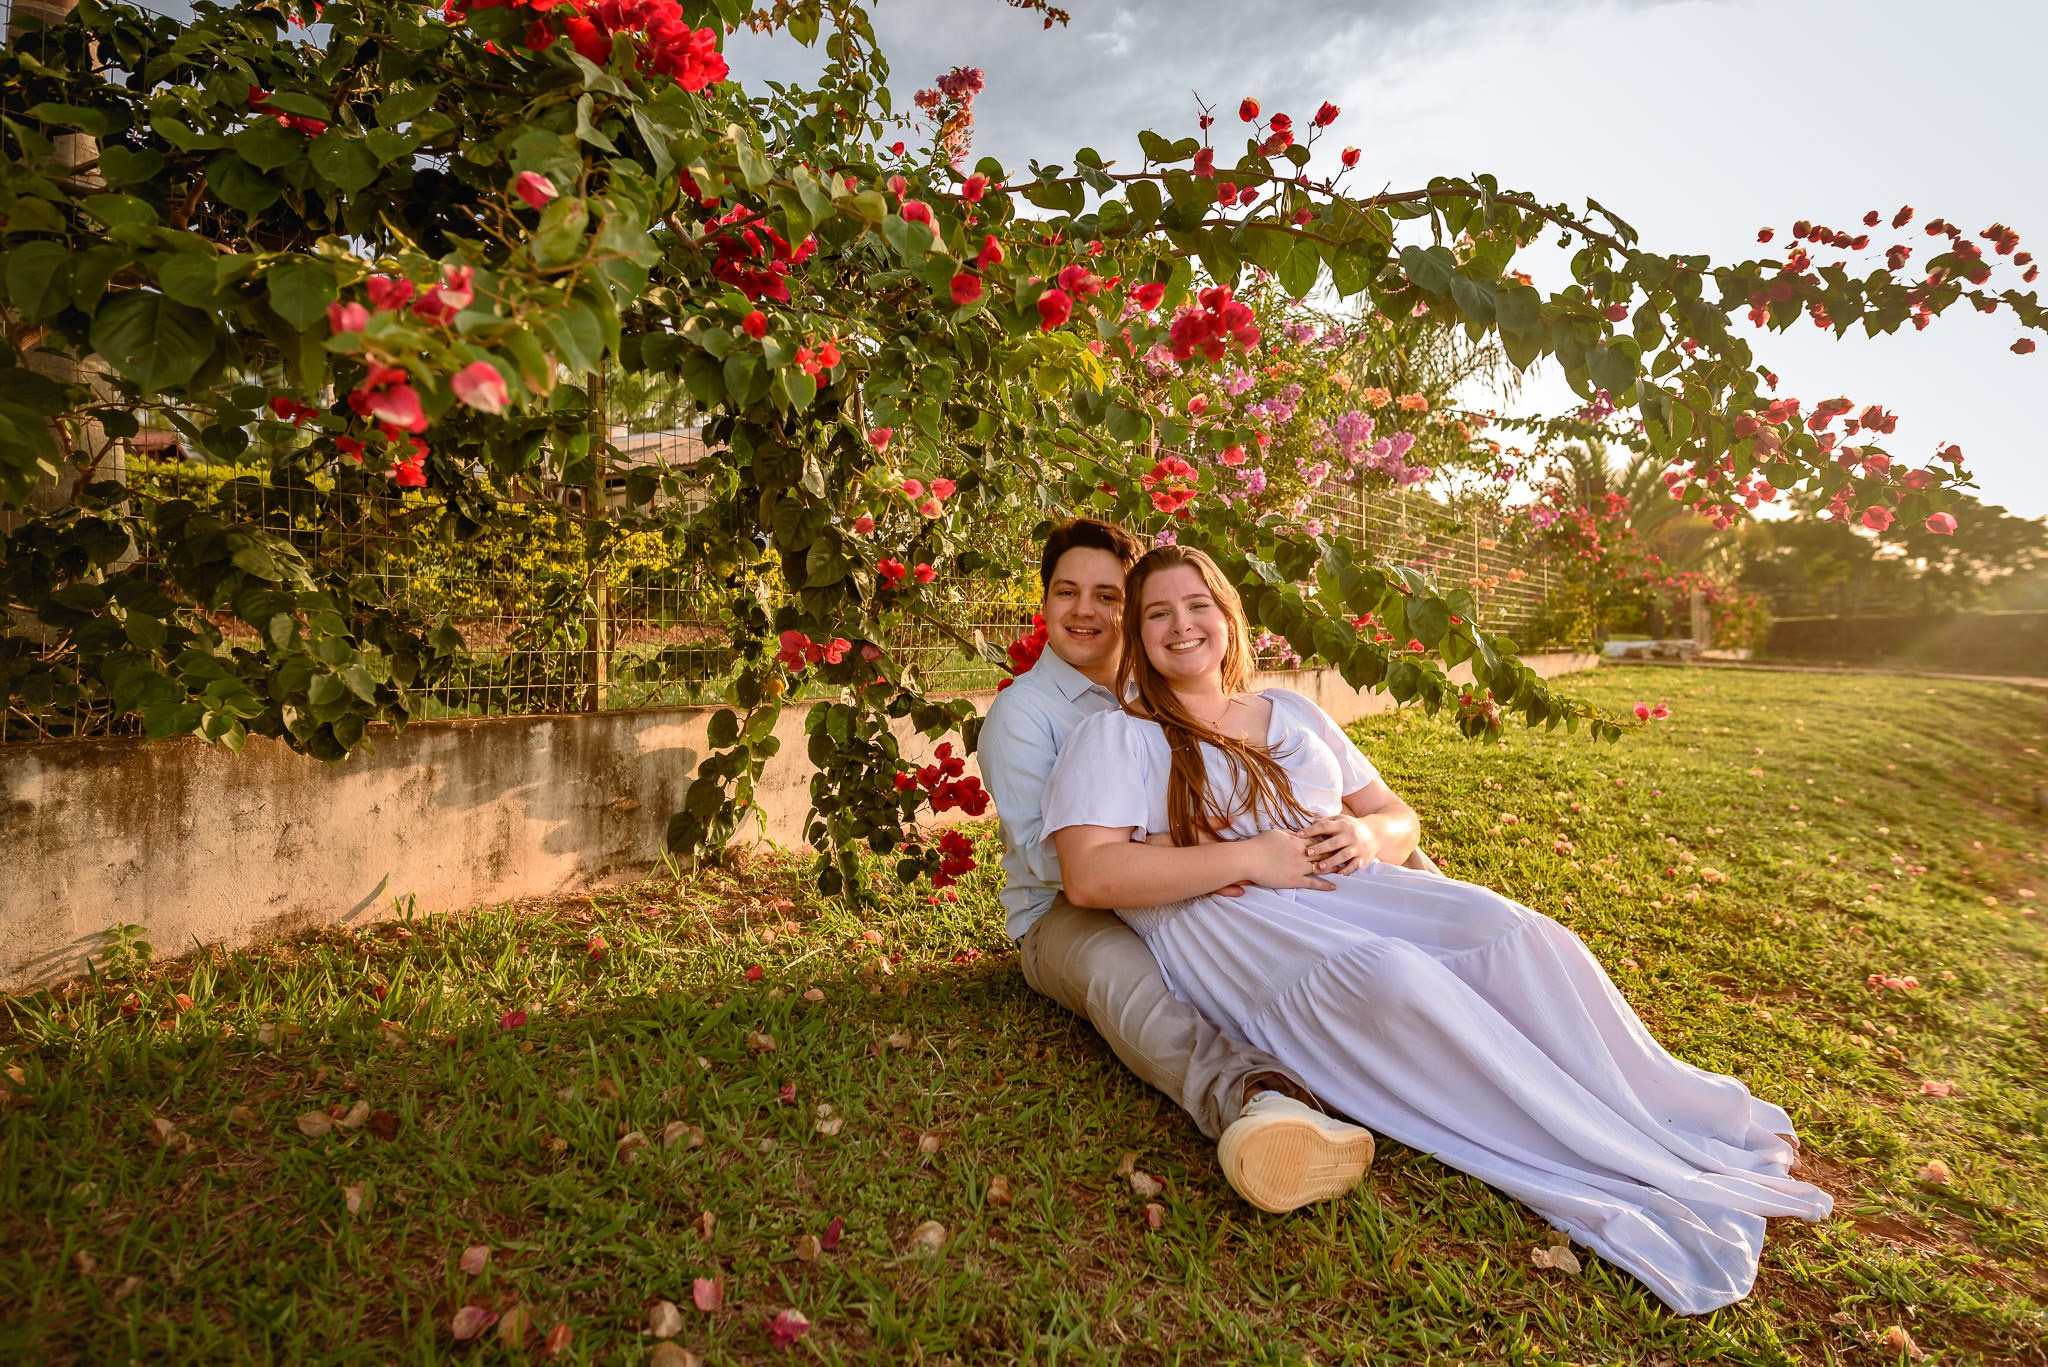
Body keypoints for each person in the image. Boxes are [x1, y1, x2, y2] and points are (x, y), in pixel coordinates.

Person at [1040, 543, 1832, 1315]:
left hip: (1360, 886)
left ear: (1229, 616)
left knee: (1521, 933)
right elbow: (1093, 875)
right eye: (1157, 613)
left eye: (1197, 604)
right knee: (1395, 979)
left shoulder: (1292, 708)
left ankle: (1649, 1108)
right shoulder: (1119, 735)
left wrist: (1369, 839)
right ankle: (1578, 1142)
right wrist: (1254, 855)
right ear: (1138, 636)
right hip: (1241, 926)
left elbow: (1393, 813)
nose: (1182, 625)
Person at [976, 518, 1378, 1213]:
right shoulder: (1024, 713)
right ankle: (1258, 1102)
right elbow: (1062, 866)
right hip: (1069, 912)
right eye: (1067, 591)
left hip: (1196, 879)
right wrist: (1192, 849)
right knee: (1119, 976)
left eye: (1107, 595)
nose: (1085, 610)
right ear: (1044, 601)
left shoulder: (1178, 686)